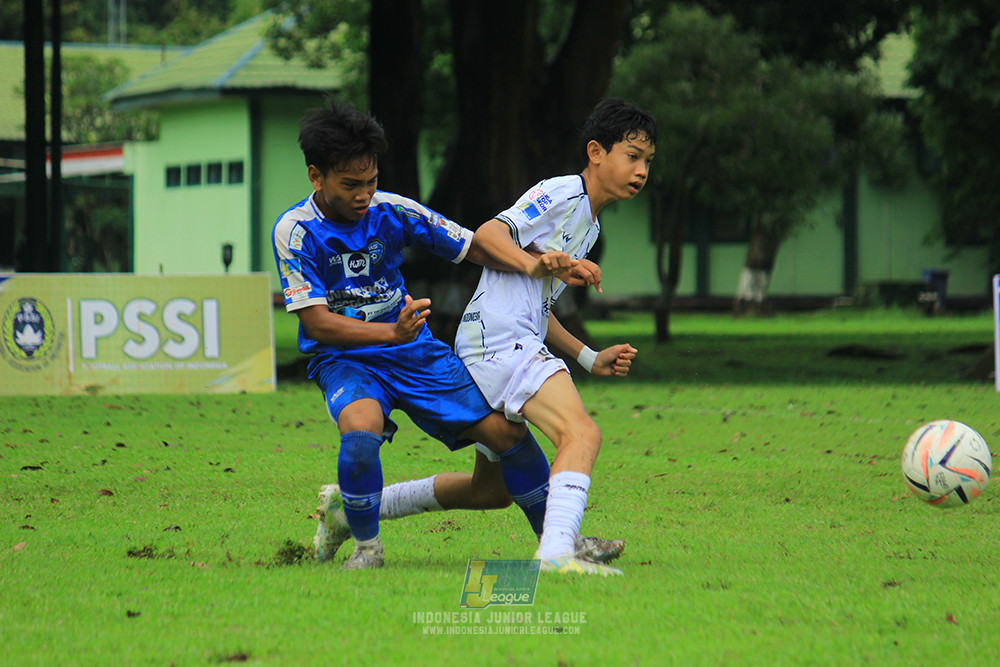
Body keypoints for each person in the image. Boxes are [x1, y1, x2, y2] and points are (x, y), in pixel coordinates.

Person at [271, 101, 621, 571]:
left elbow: (477, 245)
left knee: (507, 436)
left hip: (412, 350)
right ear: (317, 176)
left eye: (371, 181)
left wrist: (537, 263)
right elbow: (315, 323)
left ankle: (560, 543)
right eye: (350, 185)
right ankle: (367, 550)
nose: (364, 194)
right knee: (360, 430)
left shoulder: (392, 210)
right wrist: (388, 332)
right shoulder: (295, 231)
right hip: (346, 356)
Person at [455, 98, 657, 575]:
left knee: (489, 491)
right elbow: (486, 236)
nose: (642, 170)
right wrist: (535, 262)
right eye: (632, 156)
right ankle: (557, 554)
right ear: (595, 152)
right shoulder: (562, 193)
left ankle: (354, 507)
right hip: (499, 341)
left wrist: (589, 358)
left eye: (648, 161)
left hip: (499, 339)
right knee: (581, 432)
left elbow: (538, 309)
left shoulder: (589, 225)